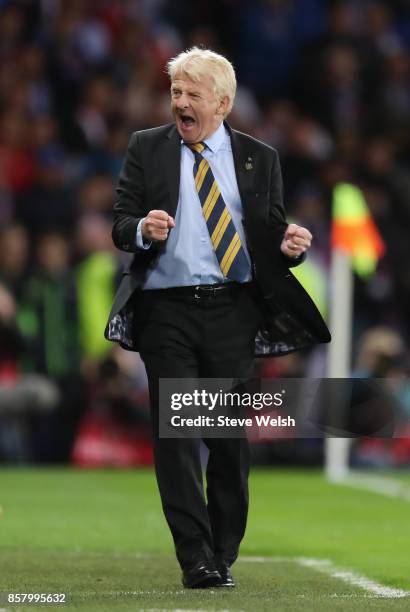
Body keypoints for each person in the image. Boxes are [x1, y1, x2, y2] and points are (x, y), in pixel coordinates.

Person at [105, 47, 330, 588]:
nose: (180, 103)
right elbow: (120, 222)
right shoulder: (146, 148)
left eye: (192, 95)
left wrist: (290, 247)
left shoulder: (260, 158)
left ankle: (222, 549)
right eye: (176, 92)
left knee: (227, 440)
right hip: (166, 310)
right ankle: (196, 558)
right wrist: (142, 230)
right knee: (178, 434)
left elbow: (269, 235)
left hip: (232, 310)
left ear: (223, 104)